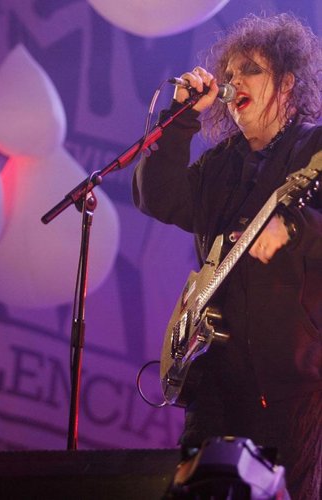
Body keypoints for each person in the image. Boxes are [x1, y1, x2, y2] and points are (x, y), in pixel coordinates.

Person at [132, 13, 321, 499]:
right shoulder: (222, 162)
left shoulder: (315, 149)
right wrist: (181, 118)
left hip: (289, 381)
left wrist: (296, 227)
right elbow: (158, 198)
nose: (235, 81)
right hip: (214, 377)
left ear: (287, 82)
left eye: (251, 69)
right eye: (231, 72)